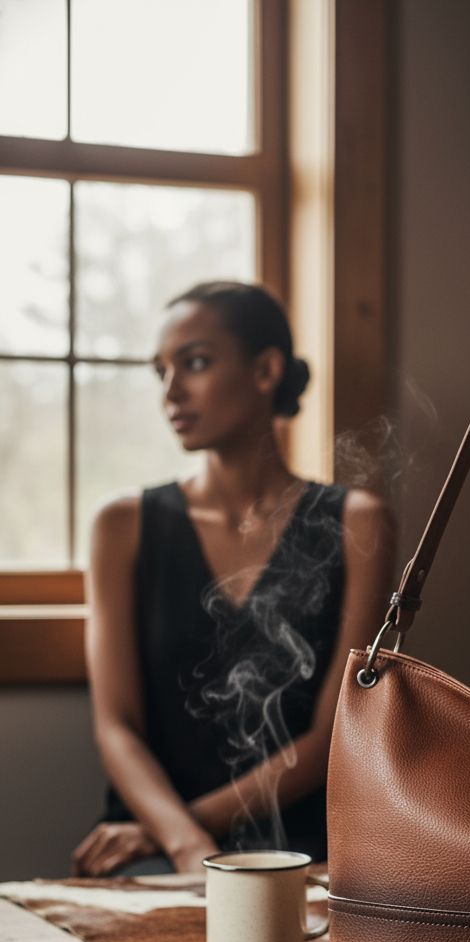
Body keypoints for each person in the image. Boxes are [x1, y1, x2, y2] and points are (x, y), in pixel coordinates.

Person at [72, 280, 395, 879]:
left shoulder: (356, 522)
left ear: (266, 370)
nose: (171, 391)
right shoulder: (123, 525)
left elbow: (334, 733)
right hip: (151, 855)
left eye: (194, 363)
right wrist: (181, 844)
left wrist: (187, 832)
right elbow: (115, 726)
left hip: (303, 855)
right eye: (160, 371)